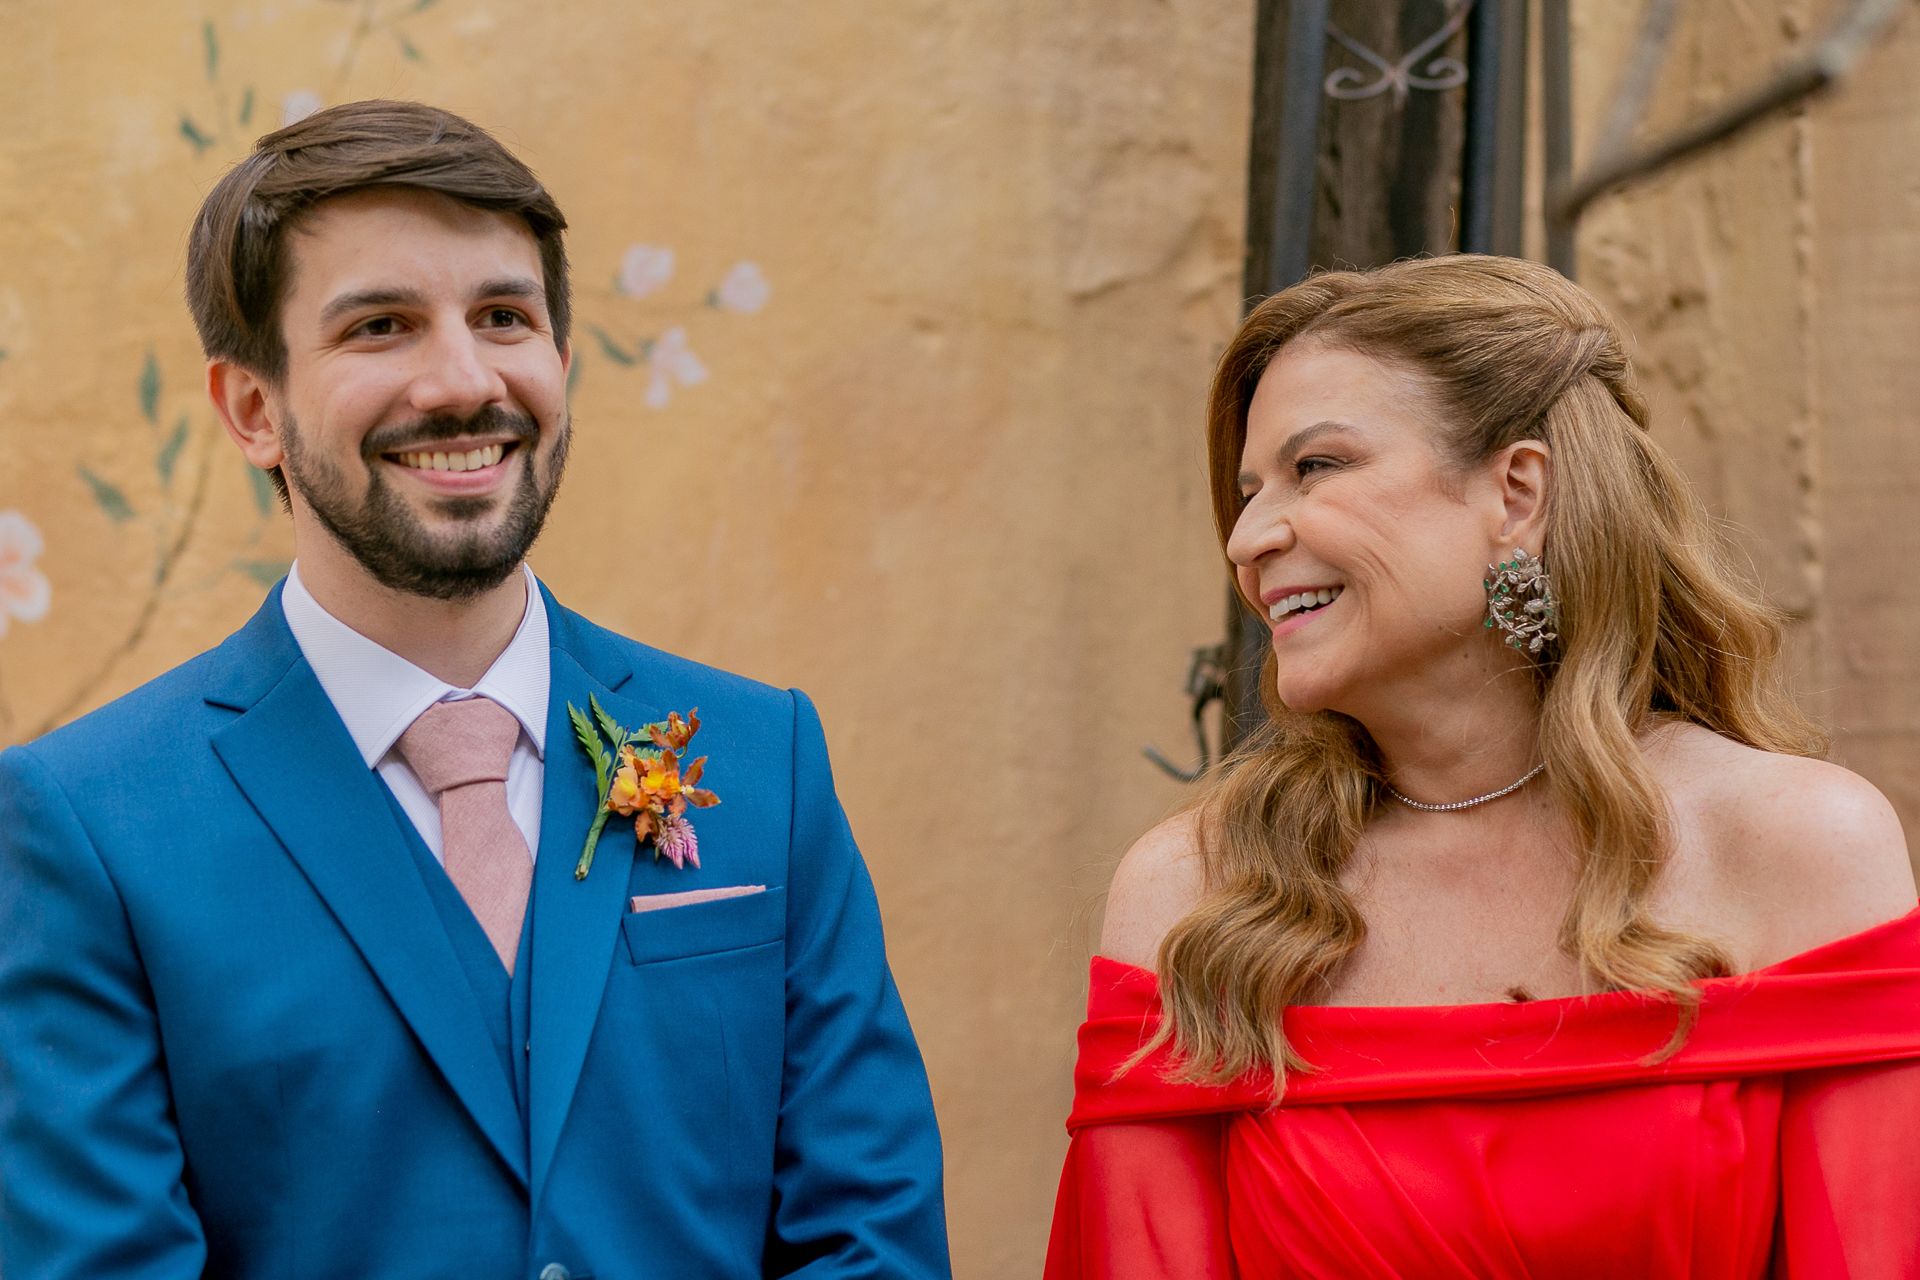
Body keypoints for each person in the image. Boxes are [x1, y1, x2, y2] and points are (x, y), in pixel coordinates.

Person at [0, 100, 949, 1280]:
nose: (463, 380)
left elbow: (871, 1239)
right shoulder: (88, 824)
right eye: (381, 326)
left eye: (505, 316)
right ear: (254, 409)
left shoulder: (767, 761)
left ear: (561, 360)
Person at [1046, 255, 1920, 1278]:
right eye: (1248, 494)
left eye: (1315, 466)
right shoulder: (1198, 895)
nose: (1247, 539)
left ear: (1516, 492)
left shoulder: (1795, 847)